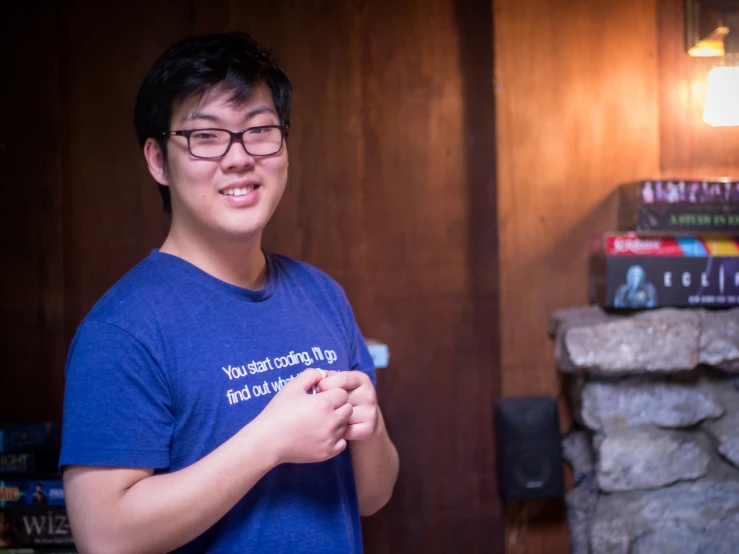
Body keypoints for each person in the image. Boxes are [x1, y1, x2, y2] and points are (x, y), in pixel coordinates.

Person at [60, 32, 399, 554]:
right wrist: (269, 444)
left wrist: (369, 428)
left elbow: (373, 496)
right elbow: (104, 537)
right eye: (207, 136)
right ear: (157, 160)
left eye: (260, 130)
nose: (239, 158)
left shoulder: (321, 294)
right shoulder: (122, 329)